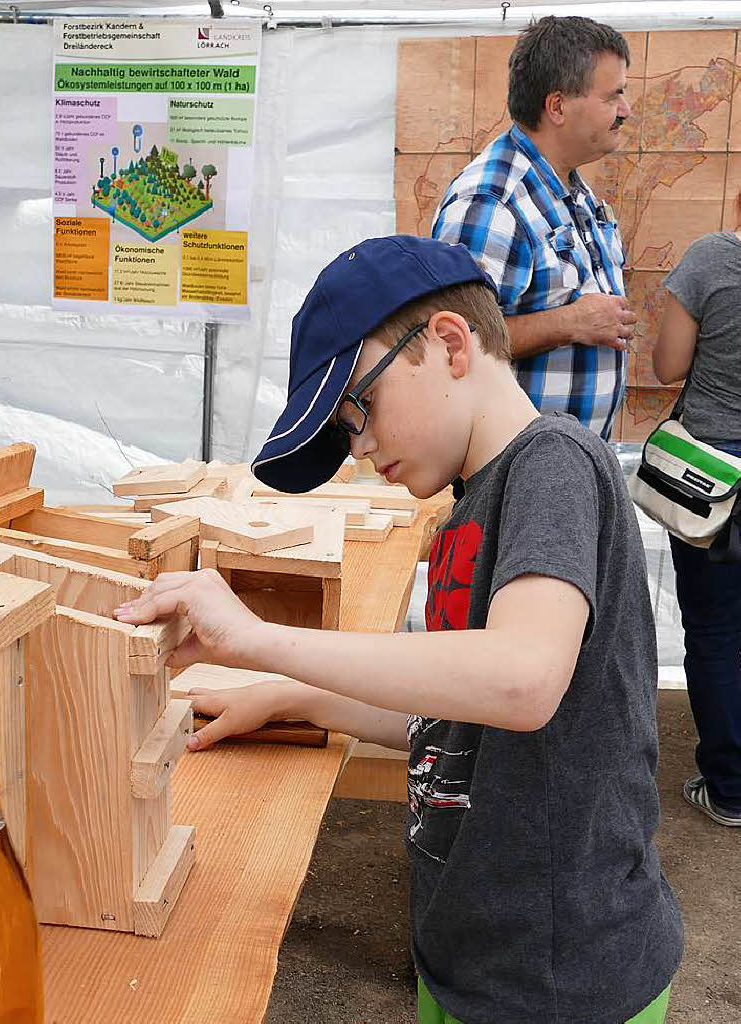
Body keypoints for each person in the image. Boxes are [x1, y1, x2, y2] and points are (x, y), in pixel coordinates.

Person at [116, 235, 682, 1024]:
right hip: (474, 956)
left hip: (561, 977)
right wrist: (295, 697)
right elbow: (462, 717)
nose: (359, 446)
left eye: (359, 408)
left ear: (448, 343)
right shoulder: (471, 503)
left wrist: (253, 637)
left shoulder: (552, 463)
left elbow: (520, 681)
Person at [433, 15, 637, 439]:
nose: (625, 110)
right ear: (558, 106)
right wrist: (571, 323)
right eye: (613, 95)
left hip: (564, 468)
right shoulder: (491, 202)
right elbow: (455, 341)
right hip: (520, 476)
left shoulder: (572, 189)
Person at [652, 205, 741, 827]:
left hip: (711, 476)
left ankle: (731, 791)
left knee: (714, 631)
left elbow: (667, 367)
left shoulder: (712, 258)